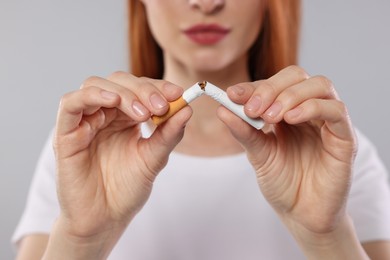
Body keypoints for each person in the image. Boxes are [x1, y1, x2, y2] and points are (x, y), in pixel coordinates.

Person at [13, 0, 390, 259]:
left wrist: (327, 238)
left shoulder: (340, 155)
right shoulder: (81, 148)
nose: (206, 2)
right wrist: (82, 239)